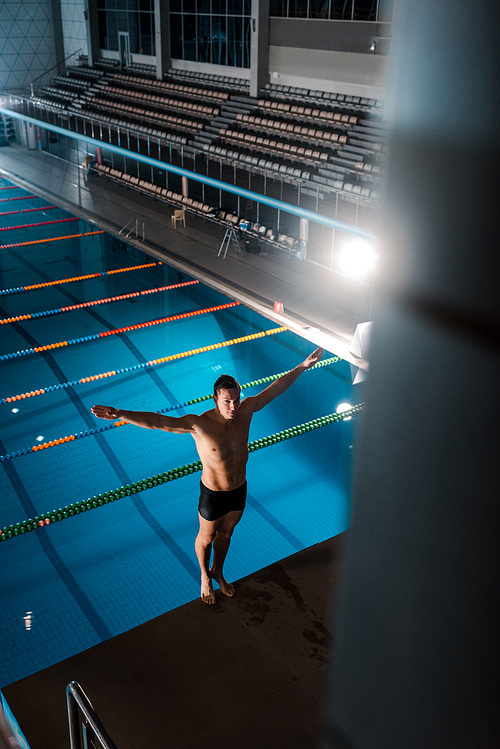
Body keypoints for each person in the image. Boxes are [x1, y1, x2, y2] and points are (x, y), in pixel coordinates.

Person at [91, 346, 323, 605]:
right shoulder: (199, 424)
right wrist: (122, 414)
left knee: (226, 535)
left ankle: (218, 572)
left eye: (236, 399)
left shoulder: (246, 411)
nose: (233, 406)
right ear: (215, 399)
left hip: (238, 490)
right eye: (227, 401)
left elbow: (276, 389)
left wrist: (302, 366)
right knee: (207, 537)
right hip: (212, 495)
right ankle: (204, 575)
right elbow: (158, 421)